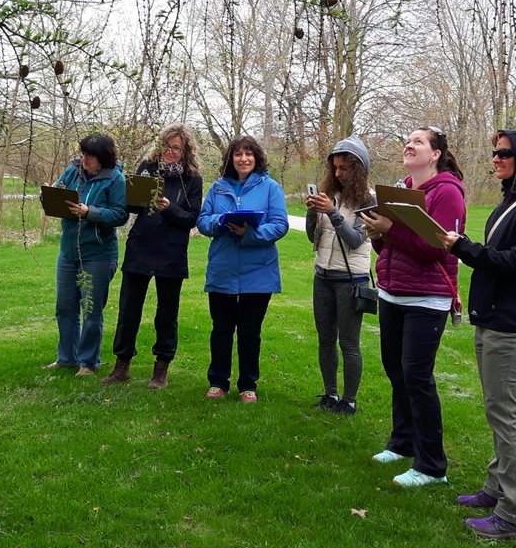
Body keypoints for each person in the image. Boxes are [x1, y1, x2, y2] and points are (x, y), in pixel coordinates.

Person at [440, 129, 516, 540]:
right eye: (494, 151)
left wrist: (464, 248)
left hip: (511, 327)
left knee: (506, 417)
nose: (495, 158)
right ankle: (496, 488)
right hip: (492, 320)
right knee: (497, 411)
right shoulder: (513, 200)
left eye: (504, 153)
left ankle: (515, 514)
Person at [361, 126, 466, 489]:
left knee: (418, 378)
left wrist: (391, 230)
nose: (409, 144)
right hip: (393, 293)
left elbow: (438, 248)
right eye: (408, 139)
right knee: (397, 372)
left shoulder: (447, 192)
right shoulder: (404, 190)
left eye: (418, 141)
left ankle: (432, 465)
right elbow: (395, 249)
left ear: (435, 153)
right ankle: (402, 442)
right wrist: (380, 235)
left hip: (426, 298)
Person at [101, 124, 204, 389]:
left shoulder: (192, 178)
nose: (170, 152)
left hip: (172, 251)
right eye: (166, 146)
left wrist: (168, 208)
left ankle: (161, 369)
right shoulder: (148, 167)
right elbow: (131, 206)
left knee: (166, 314)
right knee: (128, 310)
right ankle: (121, 366)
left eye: (176, 147)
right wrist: (135, 194)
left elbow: (192, 218)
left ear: (185, 151)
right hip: (141, 246)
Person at [196, 135, 290, 402]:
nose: (243, 159)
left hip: (258, 272)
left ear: (257, 157)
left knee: (250, 332)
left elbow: (279, 225)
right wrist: (221, 222)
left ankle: (248, 383)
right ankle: (218, 381)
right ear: (231, 159)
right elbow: (203, 221)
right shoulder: (218, 188)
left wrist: (249, 233)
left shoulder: (270, 187)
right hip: (223, 269)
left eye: (248, 153)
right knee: (221, 329)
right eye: (238, 154)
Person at [47, 133, 128, 376]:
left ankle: (88, 362)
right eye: (82, 154)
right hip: (69, 251)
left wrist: (89, 212)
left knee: (91, 309)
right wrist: (50, 196)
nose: (84, 159)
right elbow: (59, 191)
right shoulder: (73, 171)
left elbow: (120, 215)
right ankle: (67, 358)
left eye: (90, 156)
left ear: (102, 158)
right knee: (64, 307)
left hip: (98, 255)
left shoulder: (115, 179)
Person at [305, 135, 376, 415]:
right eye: (335, 168)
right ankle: (330, 395)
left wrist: (332, 213)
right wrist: (313, 214)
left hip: (351, 280)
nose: (338, 173)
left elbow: (355, 239)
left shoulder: (369, 200)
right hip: (323, 275)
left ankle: (349, 400)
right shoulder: (329, 196)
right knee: (325, 340)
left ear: (358, 169)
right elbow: (314, 237)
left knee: (348, 343)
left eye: (345, 168)